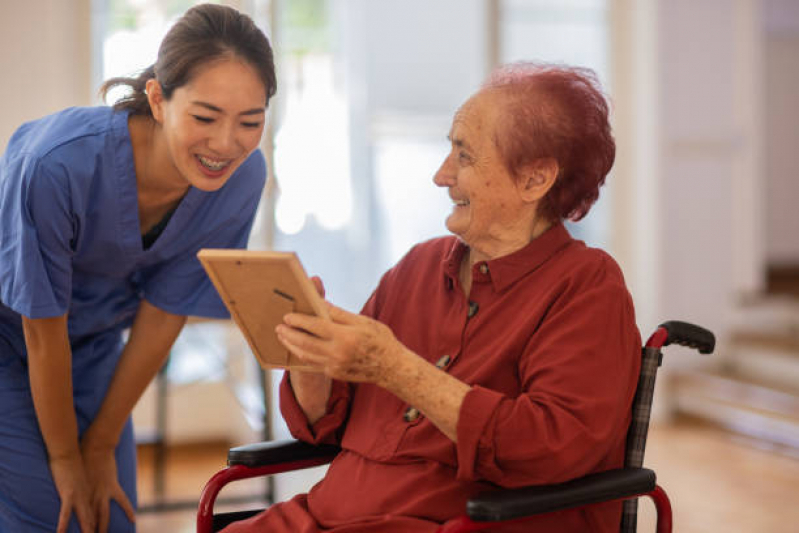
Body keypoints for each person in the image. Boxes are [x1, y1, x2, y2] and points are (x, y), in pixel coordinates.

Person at [222, 63, 641, 533]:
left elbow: (550, 448)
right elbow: (325, 425)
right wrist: (308, 358)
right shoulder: (418, 267)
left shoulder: (585, 286)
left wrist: (394, 367)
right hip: (322, 516)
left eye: (464, 157)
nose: (441, 176)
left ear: (534, 179)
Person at [0, 4, 276, 532]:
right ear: (158, 98)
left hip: (95, 345)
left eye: (250, 122)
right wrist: (65, 460)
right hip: (12, 338)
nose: (225, 144)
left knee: (112, 517)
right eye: (204, 116)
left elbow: (166, 311)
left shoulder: (241, 177)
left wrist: (100, 445)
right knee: (53, 517)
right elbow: (40, 328)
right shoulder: (58, 164)